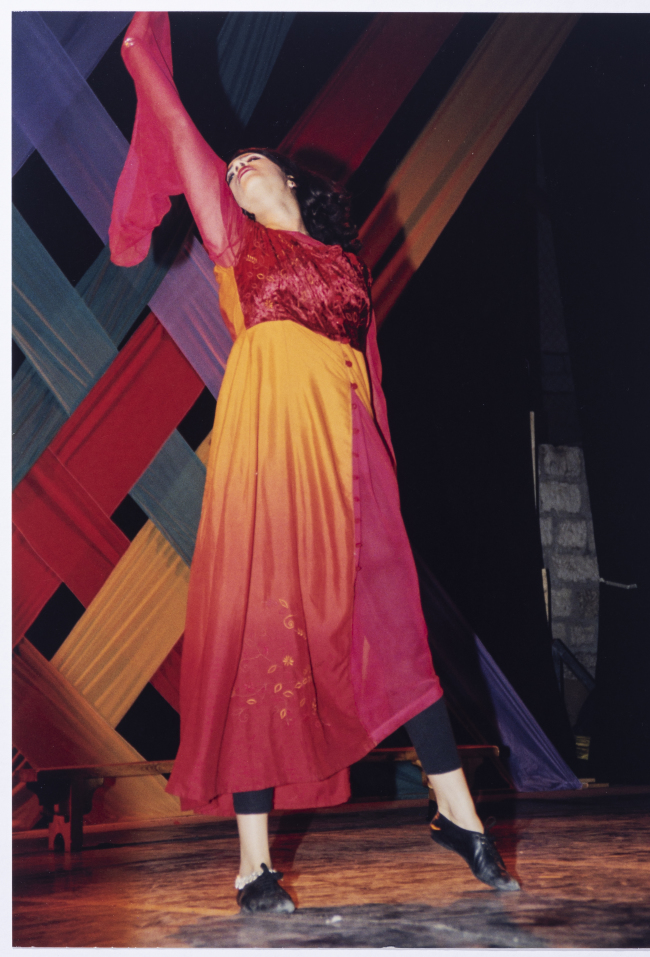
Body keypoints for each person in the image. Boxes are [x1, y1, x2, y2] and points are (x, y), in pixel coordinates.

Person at [110, 11, 520, 914]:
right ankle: (253, 864)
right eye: (229, 173)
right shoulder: (236, 244)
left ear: (290, 177)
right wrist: (144, 46)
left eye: (250, 162)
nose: (235, 171)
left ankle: (458, 812)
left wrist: (378, 462)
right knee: (263, 637)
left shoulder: (344, 261)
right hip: (273, 453)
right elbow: (181, 133)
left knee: (395, 624)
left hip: (348, 453)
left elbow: (368, 371)